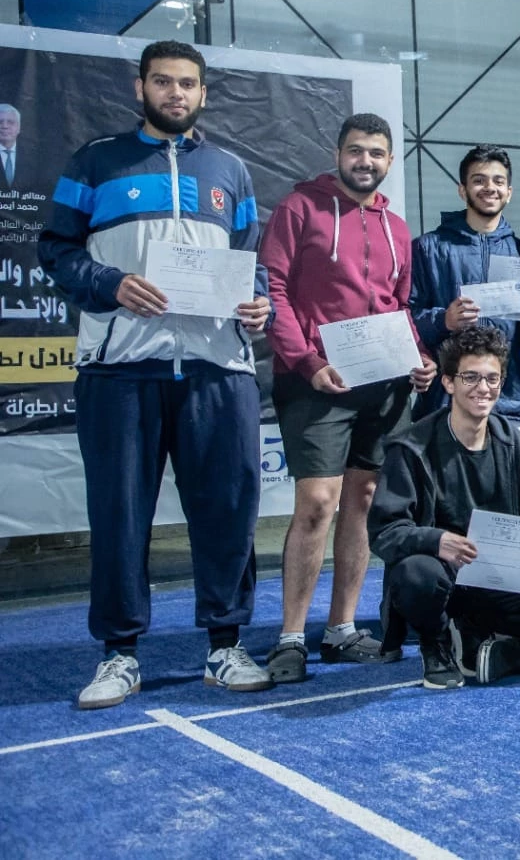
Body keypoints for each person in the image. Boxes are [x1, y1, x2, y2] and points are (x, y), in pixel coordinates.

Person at [38, 40, 274, 708]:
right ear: (140, 87)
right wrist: (108, 283)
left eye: (188, 84)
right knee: (119, 516)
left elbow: (250, 263)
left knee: (229, 512)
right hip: (120, 369)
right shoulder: (95, 160)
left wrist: (262, 304)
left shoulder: (231, 169)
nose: (176, 93)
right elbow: (54, 249)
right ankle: (119, 654)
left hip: (218, 369)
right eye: (164, 82)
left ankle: (225, 645)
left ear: (204, 93)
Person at [259, 113, 437, 683]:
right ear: (338, 153)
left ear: (389, 161)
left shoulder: (399, 228)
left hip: (383, 385)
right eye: (356, 151)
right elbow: (275, 290)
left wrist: (418, 358)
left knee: (362, 499)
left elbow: (399, 304)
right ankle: (290, 636)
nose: (366, 161)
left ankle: (339, 630)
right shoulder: (299, 209)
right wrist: (307, 362)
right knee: (316, 502)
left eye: (377, 154)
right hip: (317, 380)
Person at [368, 326, 520, 690]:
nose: (483, 388)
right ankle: (437, 642)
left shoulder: (509, 438)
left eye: (492, 379)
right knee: (417, 574)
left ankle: (478, 629)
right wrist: (436, 539)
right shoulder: (410, 447)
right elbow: (384, 533)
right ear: (447, 383)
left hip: (496, 575)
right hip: (441, 572)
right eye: (471, 377)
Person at [409, 144, 520, 425]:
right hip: (443, 402)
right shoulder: (428, 248)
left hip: (507, 405)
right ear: (462, 190)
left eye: (498, 181)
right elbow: (406, 318)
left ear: (509, 193)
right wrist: (443, 320)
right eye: (479, 180)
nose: (490, 188)